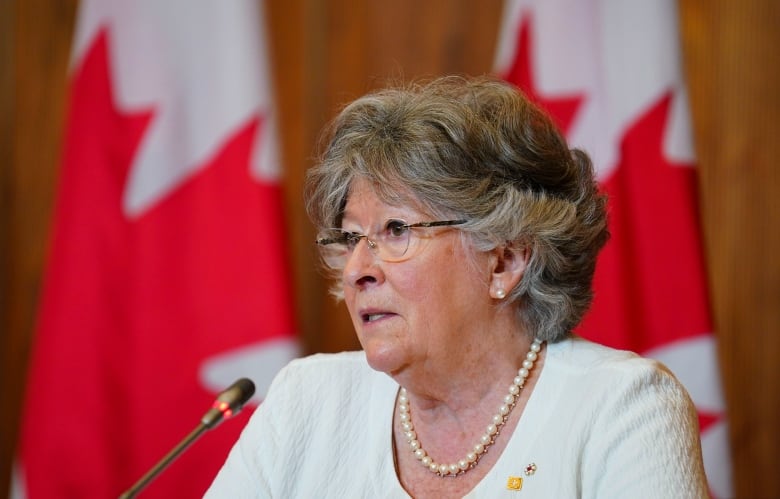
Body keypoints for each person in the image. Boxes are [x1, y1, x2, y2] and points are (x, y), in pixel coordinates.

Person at [205, 75, 708, 498]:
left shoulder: (624, 406)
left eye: (396, 230)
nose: (358, 268)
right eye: (352, 237)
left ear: (505, 262)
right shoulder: (309, 399)